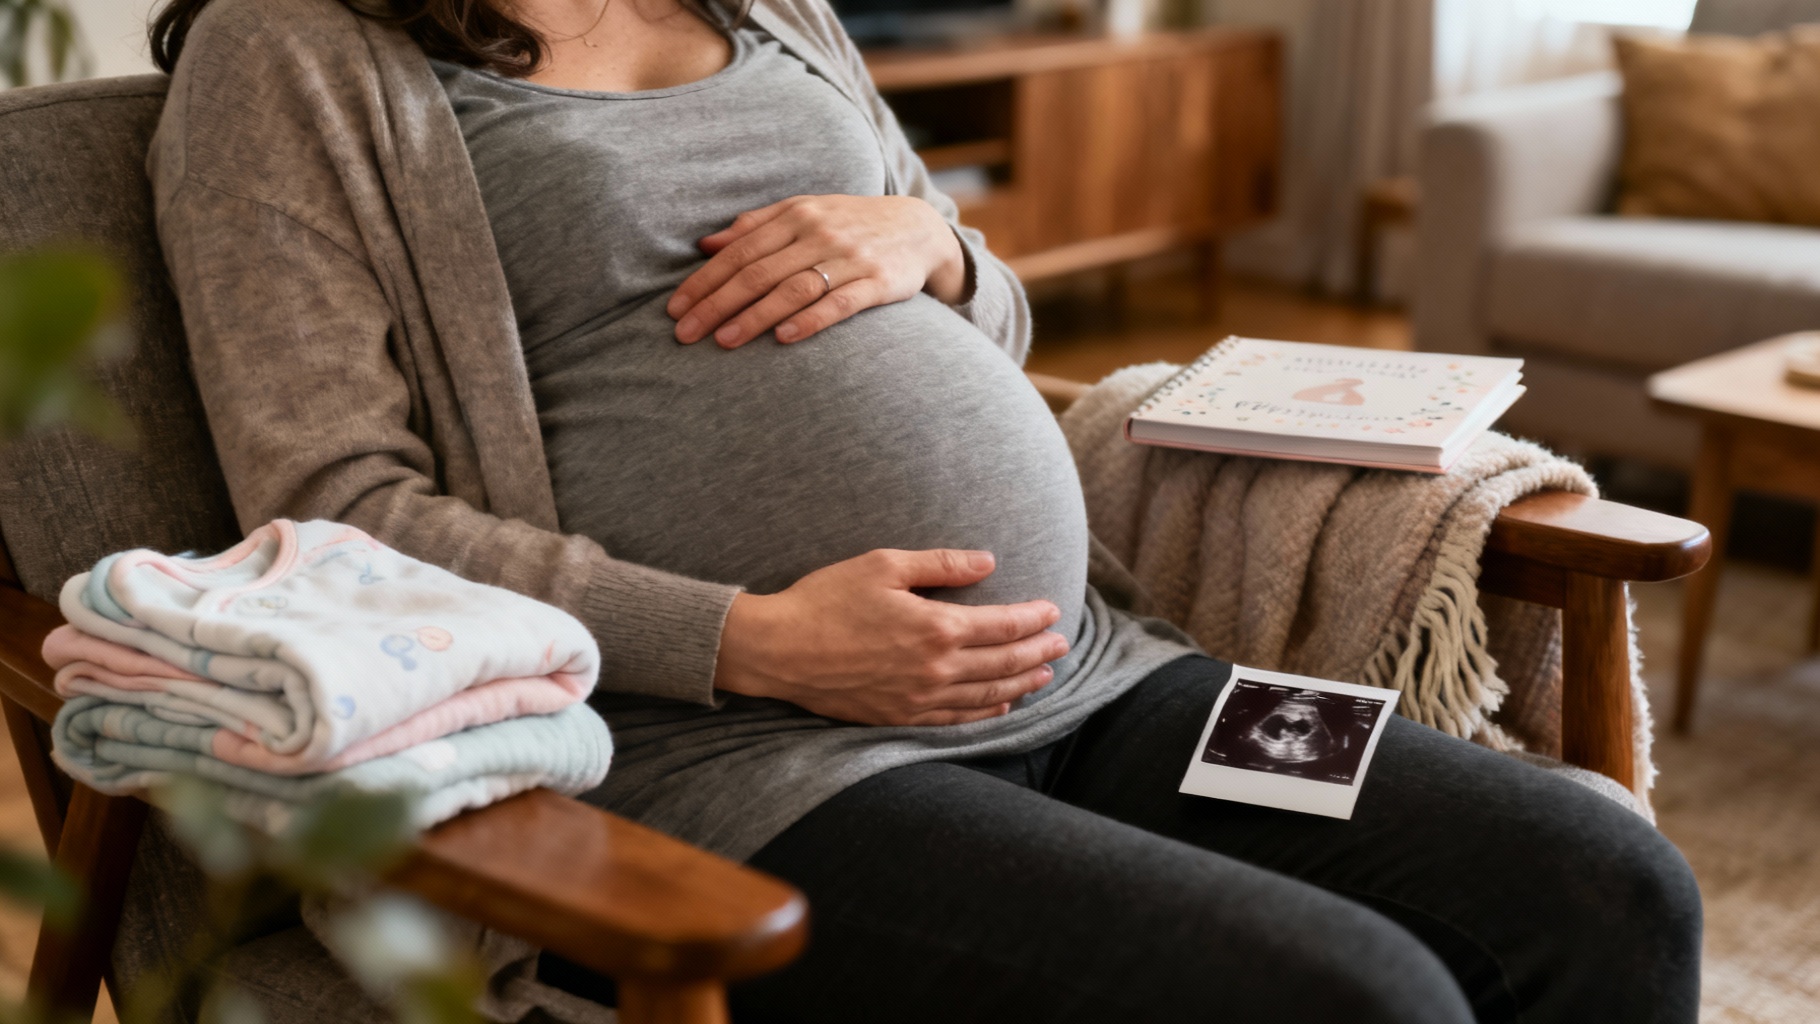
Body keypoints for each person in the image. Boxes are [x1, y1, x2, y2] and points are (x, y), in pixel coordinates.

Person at [144, 0, 1702, 1018]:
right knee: (1352, 996)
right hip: (736, 757)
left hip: (1094, 677)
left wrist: (938, 249)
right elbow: (334, 505)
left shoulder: (768, 6)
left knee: (1601, 881)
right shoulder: (290, 51)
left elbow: (988, 318)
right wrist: (746, 642)